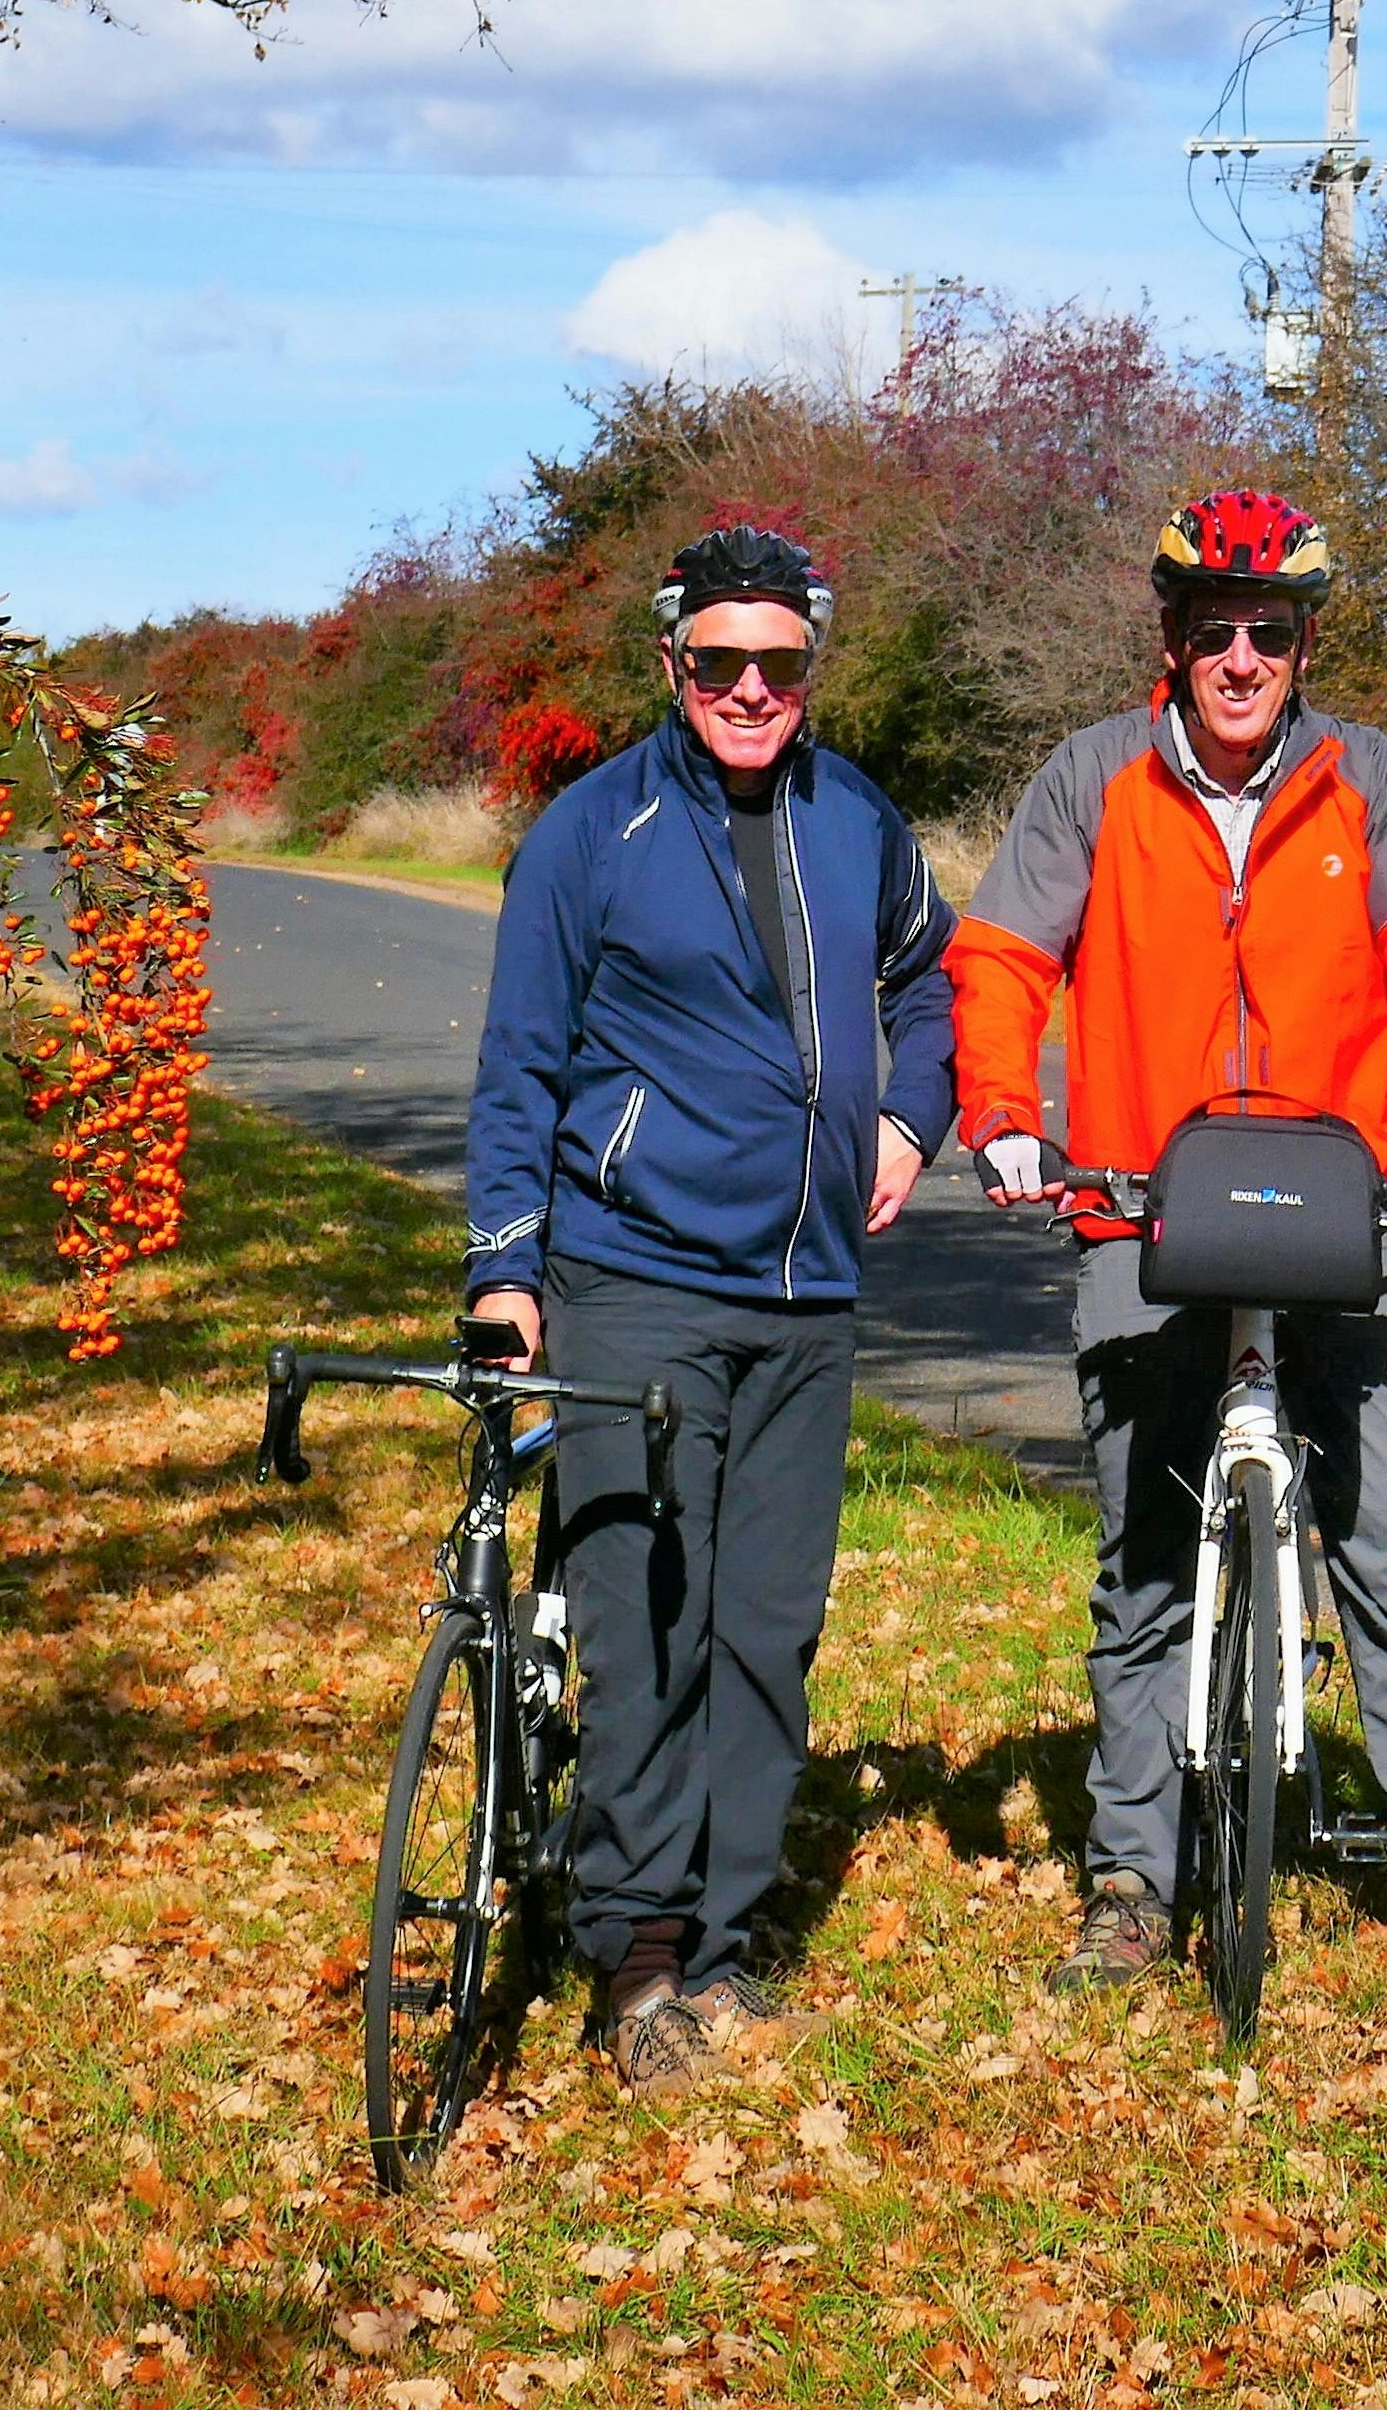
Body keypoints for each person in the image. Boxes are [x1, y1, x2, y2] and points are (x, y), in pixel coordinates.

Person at [945, 490, 1387, 1985]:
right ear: (1172, 641)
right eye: (1214, 633)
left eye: (1270, 636)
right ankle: (1133, 1887)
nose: (1241, 661)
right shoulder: (1094, 780)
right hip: (1140, 1203)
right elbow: (1007, 957)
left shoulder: (1366, 780)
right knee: (1146, 1562)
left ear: (1302, 648)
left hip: (1345, 1198)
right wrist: (1007, 1110)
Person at [464, 525, 956, 2092]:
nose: (754, 689)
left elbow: (929, 981)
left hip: (810, 1291)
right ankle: (639, 1956)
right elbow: (519, 1063)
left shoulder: (860, 817)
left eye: (783, 664)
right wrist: (505, 1267)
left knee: (765, 1635)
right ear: (671, 663)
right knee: (646, 1627)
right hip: (639, 1281)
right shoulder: (590, 833)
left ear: (812, 665)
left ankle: (728, 1944)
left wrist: (911, 1118)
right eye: (722, 663)